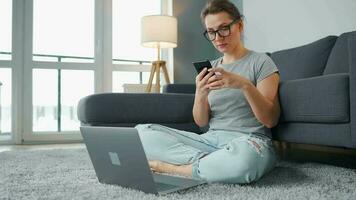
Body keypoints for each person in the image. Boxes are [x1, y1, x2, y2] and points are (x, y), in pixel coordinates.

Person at [135, 0, 280, 184]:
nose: (218, 37)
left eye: (224, 28)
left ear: (240, 25)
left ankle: (173, 168)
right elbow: (201, 121)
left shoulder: (261, 62)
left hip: (249, 142)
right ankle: (215, 163)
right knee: (141, 132)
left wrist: (245, 85)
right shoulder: (211, 68)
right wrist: (200, 93)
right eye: (211, 32)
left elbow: (270, 119)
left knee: (244, 162)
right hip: (210, 142)